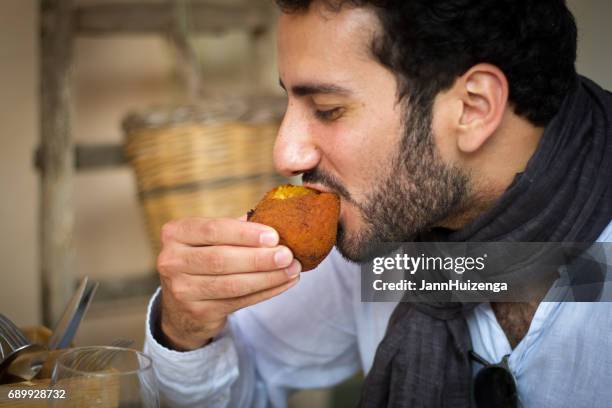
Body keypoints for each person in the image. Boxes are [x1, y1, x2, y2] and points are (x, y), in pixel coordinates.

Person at [143, 1, 612, 407]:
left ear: (473, 107)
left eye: (327, 109)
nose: (285, 154)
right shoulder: (383, 227)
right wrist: (185, 329)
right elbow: (248, 379)